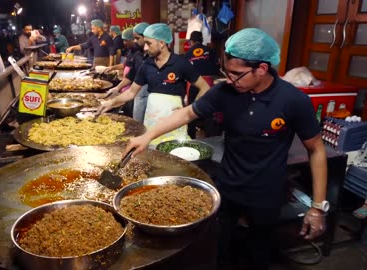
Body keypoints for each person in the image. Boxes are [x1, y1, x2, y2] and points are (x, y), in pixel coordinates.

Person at [123, 28, 328, 270]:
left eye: (237, 74)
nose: (230, 80)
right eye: (226, 72)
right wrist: (147, 136)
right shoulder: (225, 91)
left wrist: (317, 207)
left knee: (259, 253)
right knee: (219, 248)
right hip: (228, 185)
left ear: (262, 69)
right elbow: (188, 113)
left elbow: (316, 150)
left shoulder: (293, 100)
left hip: (267, 193)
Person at [97, 23, 210, 145]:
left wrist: (190, 108)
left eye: (149, 43)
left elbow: (205, 87)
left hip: (175, 121)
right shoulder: (146, 65)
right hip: (152, 120)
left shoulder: (181, 63)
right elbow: (131, 92)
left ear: (161, 43)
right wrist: (111, 102)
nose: (145, 48)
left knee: (173, 157)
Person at [104, 22, 151, 124]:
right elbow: (131, 76)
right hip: (138, 94)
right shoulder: (138, 54)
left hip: (152, 100)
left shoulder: (155, 58)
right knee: (138, 124)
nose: (134, 41)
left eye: (137, 38)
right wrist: (117, 88)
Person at [185, 30, 219, 138]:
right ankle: (210, 136)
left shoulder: (188, 53)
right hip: (209, 83)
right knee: (209, 110)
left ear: (191, 41)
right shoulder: (211, 51)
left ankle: (191, 135)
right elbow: (216, 67)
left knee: (192, 109)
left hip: (194, 84)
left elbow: (186, 72)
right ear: (202, 40)